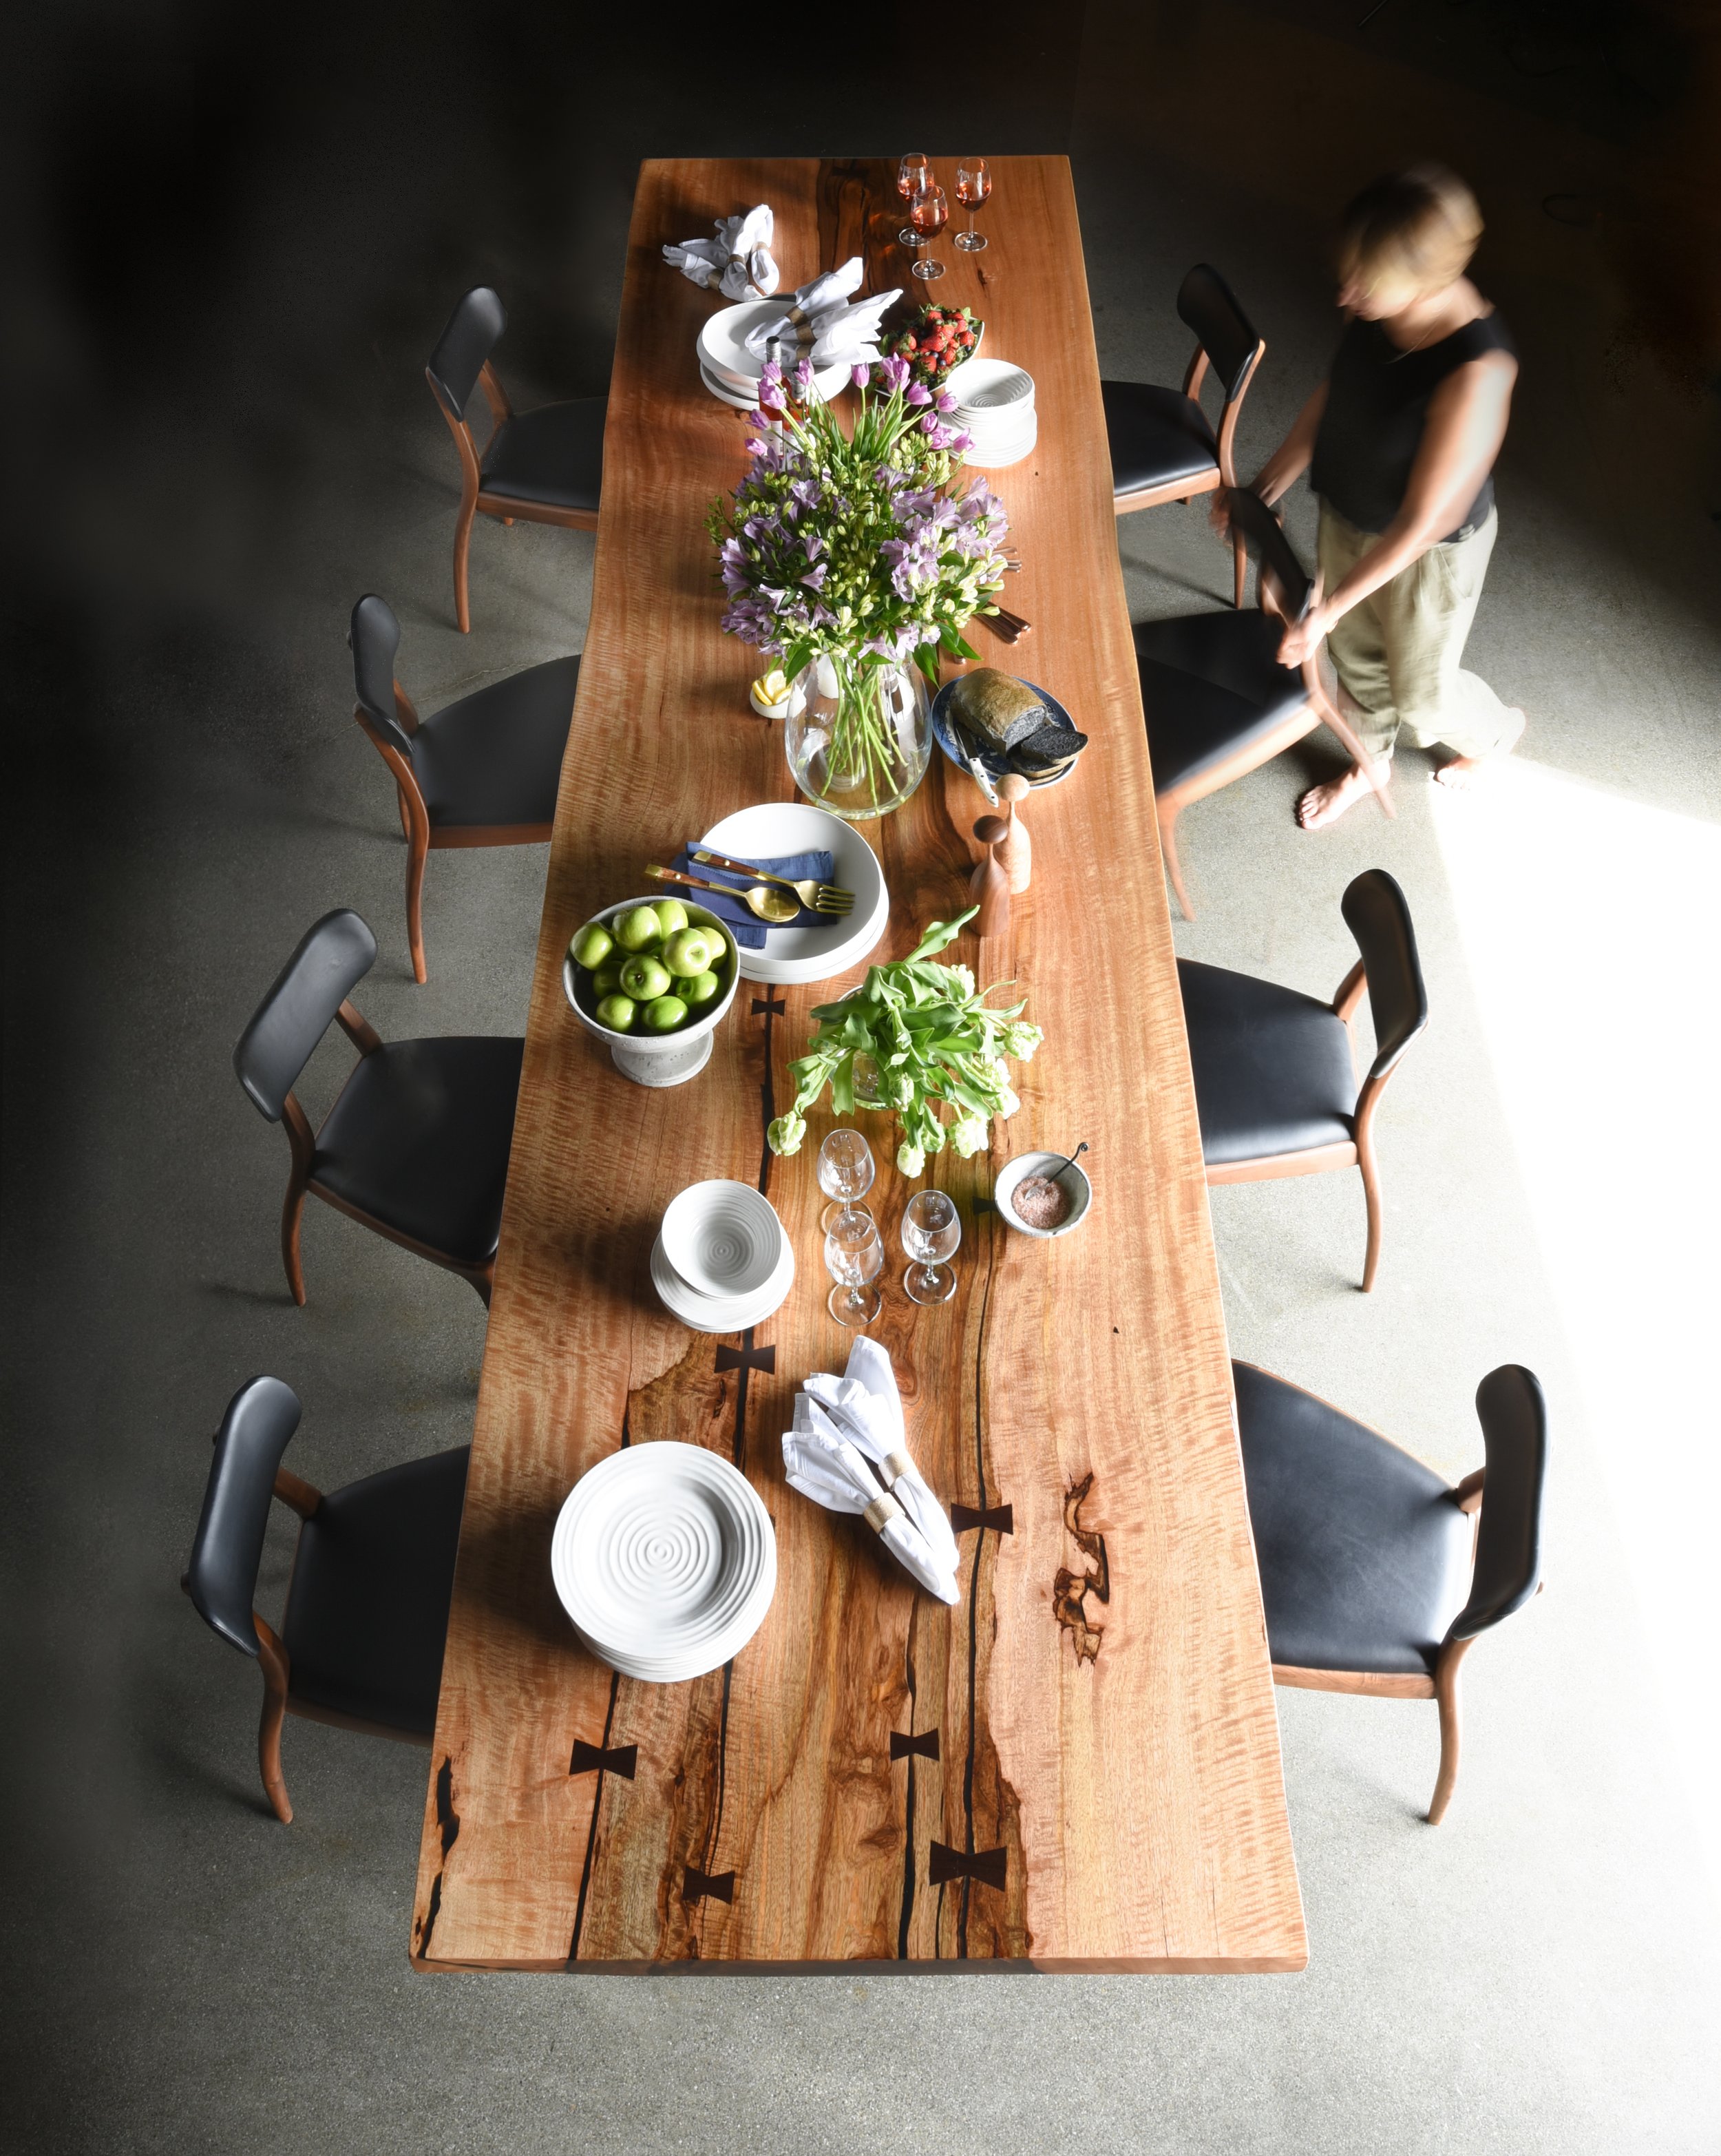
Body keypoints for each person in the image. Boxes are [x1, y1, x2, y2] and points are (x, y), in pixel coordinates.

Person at [1215, 164, 1524, 828]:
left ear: (1429, 282)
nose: (1345, 296)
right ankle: (1369, 760)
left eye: (1366, 284)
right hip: (1348, 510)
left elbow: (1422, 521)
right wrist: (1269, 481)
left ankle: (1498, 734)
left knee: (1423, 692)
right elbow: (1339, 393)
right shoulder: (1381, 308)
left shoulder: (1478, 369)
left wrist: (1326, 611)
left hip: (1428, 553)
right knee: (1356, 657)